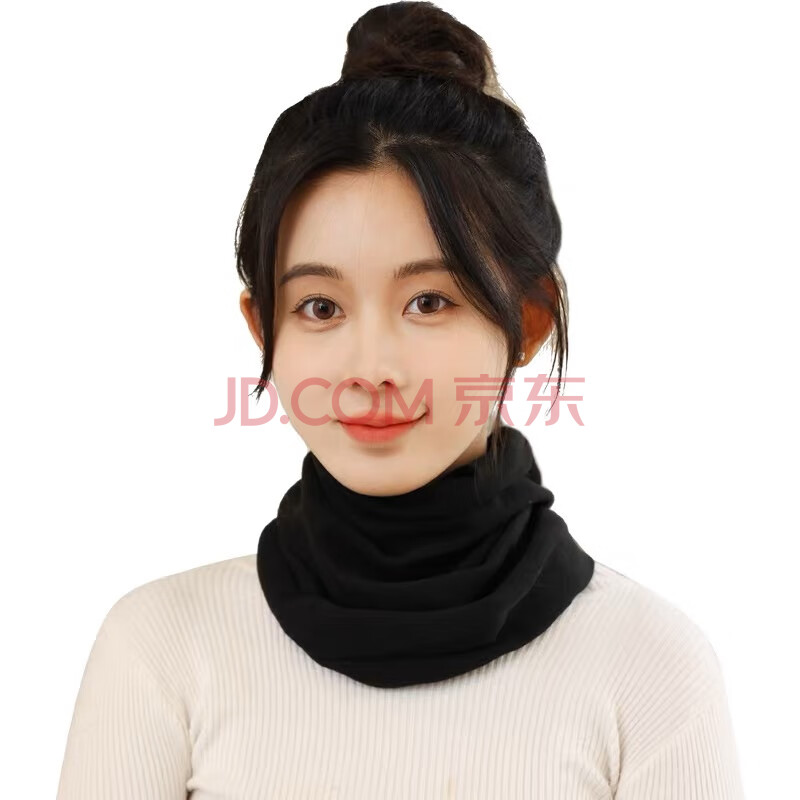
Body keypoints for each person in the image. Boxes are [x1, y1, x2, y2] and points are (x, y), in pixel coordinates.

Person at [56, 2, 745, 797]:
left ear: (527, 321)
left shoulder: (651, 670)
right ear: (264, 326)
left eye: (429, 302)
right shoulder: (161, 651)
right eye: (320, 307)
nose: (370, 367)